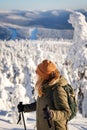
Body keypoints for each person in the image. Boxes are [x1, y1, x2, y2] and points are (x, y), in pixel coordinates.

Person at [17, 59, 71, 130]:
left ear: (45, 76)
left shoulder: (57, 90)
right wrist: (25, 108)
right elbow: (41, 105)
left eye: (39, 74)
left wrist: (52, 114)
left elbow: (66, 113)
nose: (37, 76)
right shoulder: (46, 87)